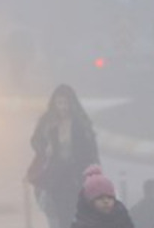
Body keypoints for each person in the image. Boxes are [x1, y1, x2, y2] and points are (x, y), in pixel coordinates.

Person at [29, 84, 100, 228]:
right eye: (60, 103)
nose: (63, 107)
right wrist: (44, 148)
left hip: (76, 174)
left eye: (66, 103)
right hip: (55, 175)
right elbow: (36, 141)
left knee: (77, 211)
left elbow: (91, 149)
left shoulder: (80, 123)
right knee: (58, 213)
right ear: (54, 103)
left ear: (72, 103)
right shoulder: (48, 122)